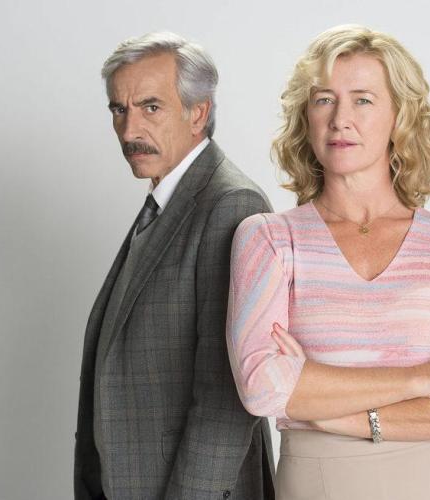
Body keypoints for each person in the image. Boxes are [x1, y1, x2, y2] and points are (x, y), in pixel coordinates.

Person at [226, 25, 430, 500]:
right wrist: (425, 378)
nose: (341, 119)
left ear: (400, 115)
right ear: (305, 116)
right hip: (322, 481)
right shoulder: (269, 239)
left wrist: (328, 411)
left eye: (362, 100)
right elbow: (263, 387)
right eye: (324, 99)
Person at [74, 32, 275, 500]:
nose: (129, 131)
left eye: (151, 107)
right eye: (118, 110)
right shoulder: (168, 201)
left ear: (198, 112)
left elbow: (226, 397)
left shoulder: (230, 204)